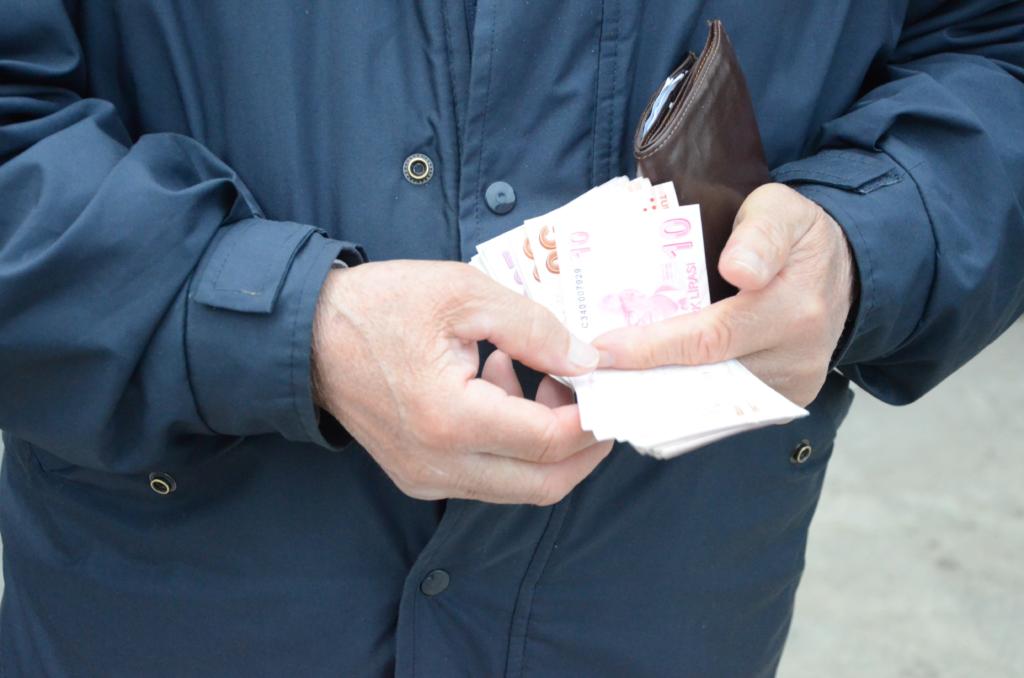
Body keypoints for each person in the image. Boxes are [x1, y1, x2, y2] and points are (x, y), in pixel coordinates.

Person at [1, 1, 1021, 676]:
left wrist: (870, 238)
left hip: (666, 601)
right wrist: (281, 325)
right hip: (172, 607)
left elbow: (996, 49)